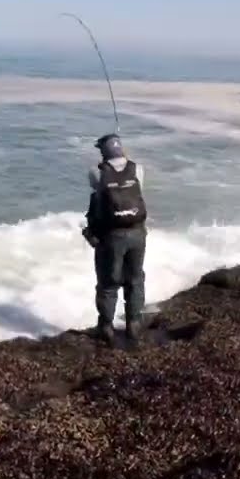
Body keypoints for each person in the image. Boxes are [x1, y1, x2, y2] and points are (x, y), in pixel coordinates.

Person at [82, 132, 147, 344]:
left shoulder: (97, 172)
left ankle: (106, 328)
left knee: (109, 283)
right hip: (138, 233)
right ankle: (134, 325)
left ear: (103, 151)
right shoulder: (138, 170)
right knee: (135, 279)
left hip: (111, 237)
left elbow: (96, 190)